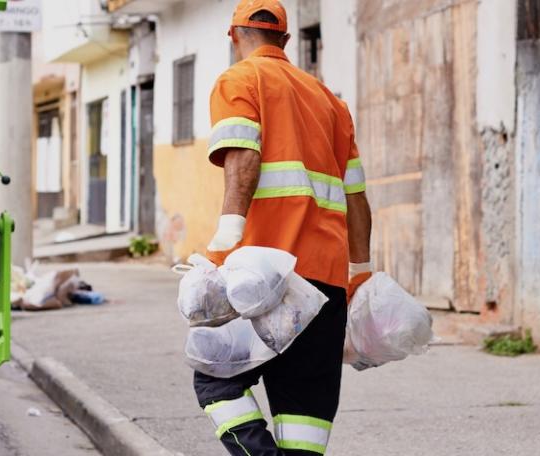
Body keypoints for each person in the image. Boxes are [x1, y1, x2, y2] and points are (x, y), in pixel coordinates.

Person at [195, 0, 373, 454]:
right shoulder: (332, 102)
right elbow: (357, 200)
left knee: (216, 378)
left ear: (233, 36)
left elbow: (243, 157)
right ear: (286, 41)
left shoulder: (239, 79)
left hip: (261, 275)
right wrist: (361, 272)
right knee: (305, 415)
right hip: (326, 280)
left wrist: (225, 242)